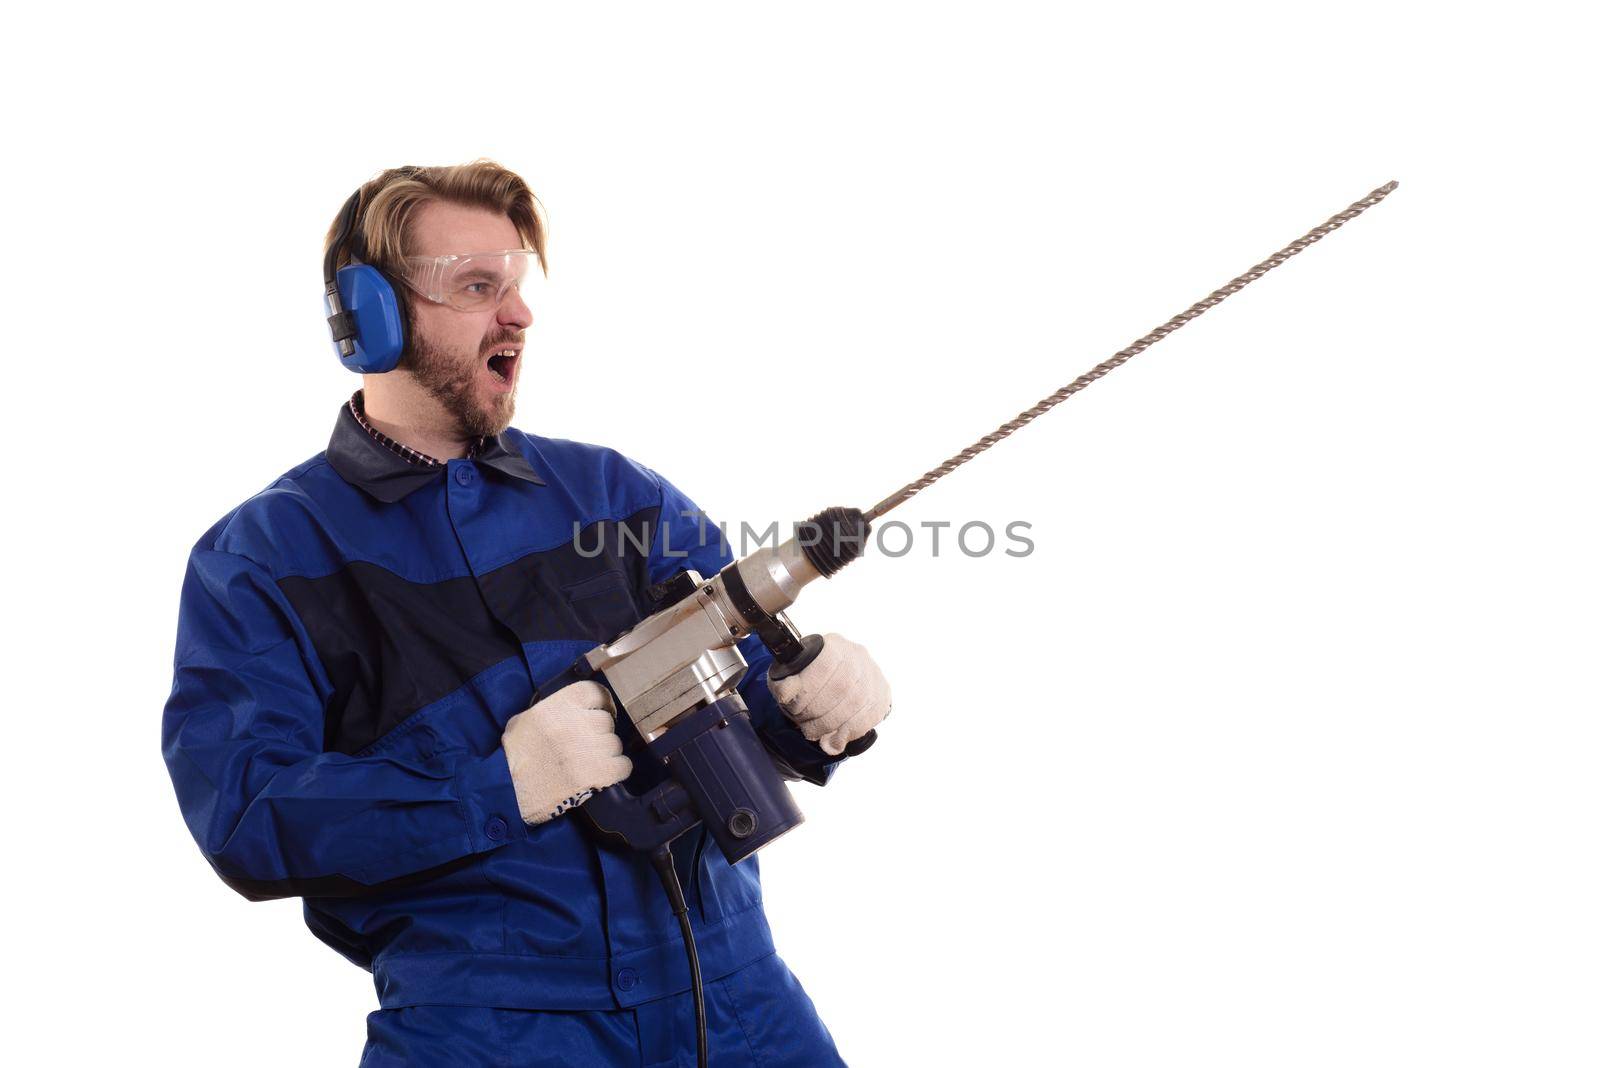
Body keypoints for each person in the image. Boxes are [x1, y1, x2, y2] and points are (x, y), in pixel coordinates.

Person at [160, 160, 892, 1066]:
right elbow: (245, 820)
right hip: (488, 1030)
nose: (519, 316)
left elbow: (737, 689)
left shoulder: (612, 493)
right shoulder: (266, 559)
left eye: (516, 286)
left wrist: (816, 704)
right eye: (477, 287)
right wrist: (495, 790)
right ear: (371, 320)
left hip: (740, 1001)